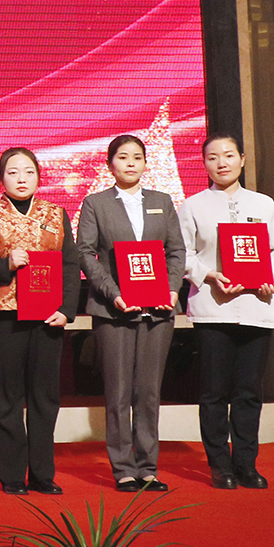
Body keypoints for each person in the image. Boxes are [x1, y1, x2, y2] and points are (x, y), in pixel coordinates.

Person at [0, 147, 82, 495]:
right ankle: (12, 475)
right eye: (12, 172)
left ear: (39, 176)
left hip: (48, 317)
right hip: (5, 317)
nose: (21, 178)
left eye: (28, 171)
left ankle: (43, 474)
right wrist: (5, 264)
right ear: (1, 179)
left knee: (45, 397)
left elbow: (70, 264)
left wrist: (67, 309)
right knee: (7, 396)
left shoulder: (56, 214)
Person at [179, 132, 274, 489]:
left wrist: (270, 279)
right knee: (214, 392)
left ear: (242, 160)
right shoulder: (193, 206)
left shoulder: (263, 204)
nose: (222, 163)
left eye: (229, 155)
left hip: (256, 306)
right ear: (204, 164)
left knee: (248, 391)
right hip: (213, 309)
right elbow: (181, 254)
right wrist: (209, 275)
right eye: (213, 157)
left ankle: (246, 463)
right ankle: (219, 465)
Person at [77, 134, 184, 492]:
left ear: (146, 163)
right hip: (114, 310)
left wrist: (172, 289)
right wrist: (115, 293)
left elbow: (176, 250)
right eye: (123, 157)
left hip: (159, 309)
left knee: (149, 391)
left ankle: (148, 467)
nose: (130, 163)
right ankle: (123, 467)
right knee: (119, 391)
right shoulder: (95, 203)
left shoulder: (161, 201)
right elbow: (85, 253)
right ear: (110, 164)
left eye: (137, 157)